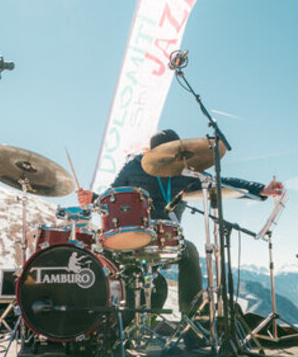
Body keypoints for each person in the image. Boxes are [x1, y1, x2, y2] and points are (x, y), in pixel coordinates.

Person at [79, 129, 283, 318]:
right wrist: (94, 198)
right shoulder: (134, 166)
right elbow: (111, 196)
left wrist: (260, 189)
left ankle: (190, 317)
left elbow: (221, 184)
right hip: (134, 234)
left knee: (190, 253)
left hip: (168, 236)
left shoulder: (185, 171)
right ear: (151, 153)